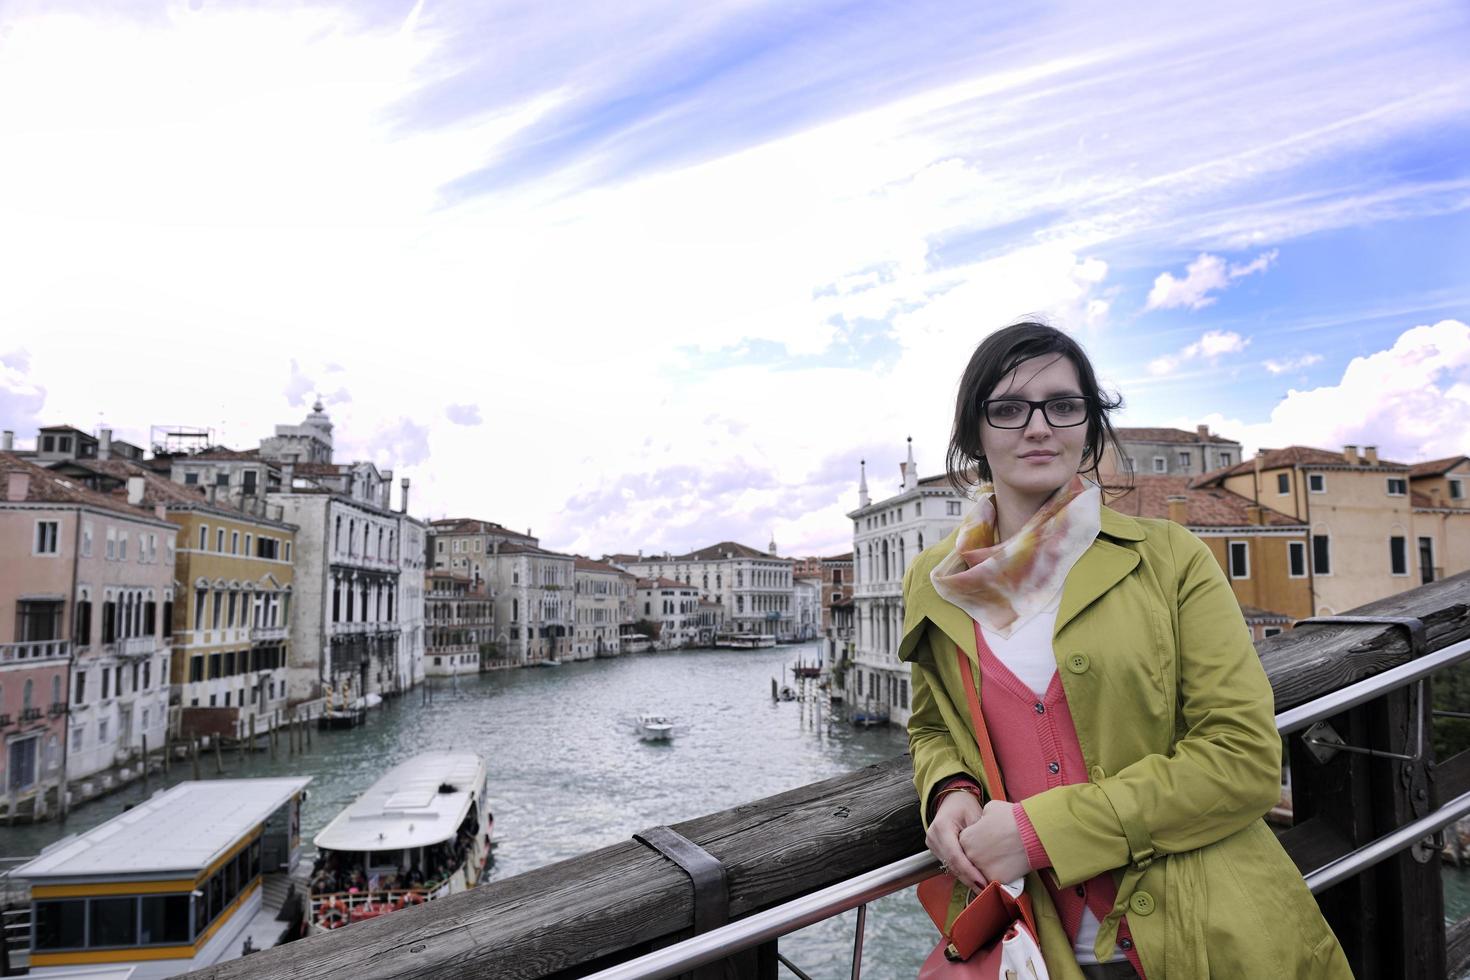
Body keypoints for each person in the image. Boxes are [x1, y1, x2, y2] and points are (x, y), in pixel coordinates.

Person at [902, 321, 1350, 979]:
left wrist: (1036, 833)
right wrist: (948, 788)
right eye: (1007, 408)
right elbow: (934, 723)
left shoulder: (1169, 559)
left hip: (1212, 931)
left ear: (1089, 424)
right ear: (974, 433)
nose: (1037, 427)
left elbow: (1245, 758)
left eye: (1062, 405)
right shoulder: (935, 581)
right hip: (1041, 943)